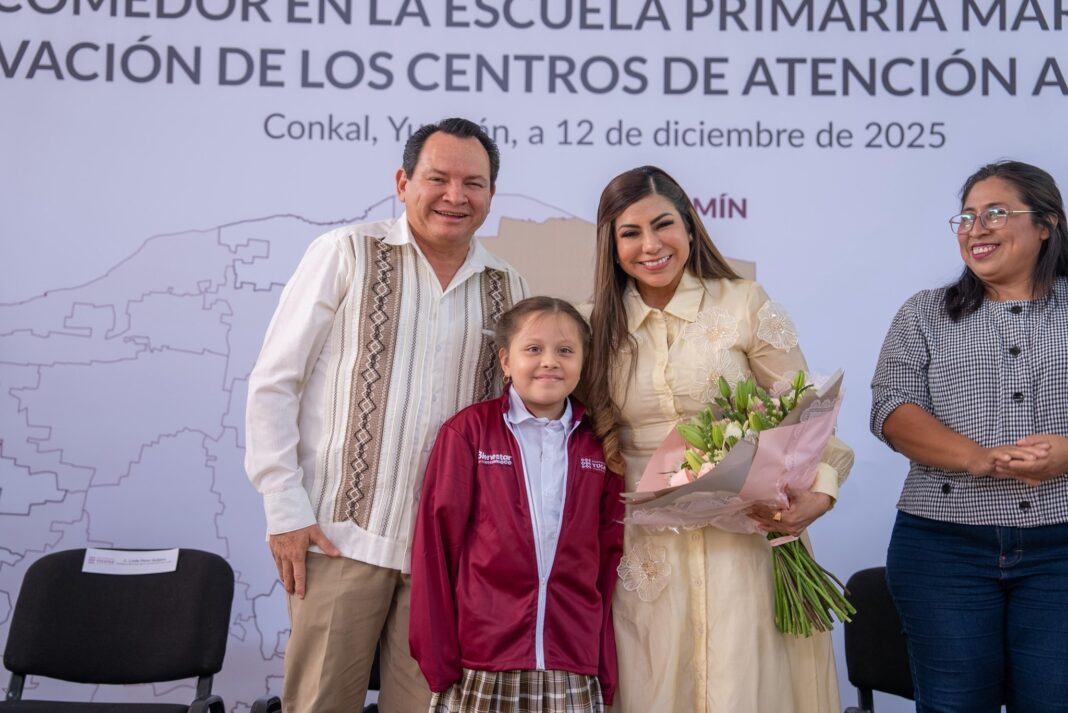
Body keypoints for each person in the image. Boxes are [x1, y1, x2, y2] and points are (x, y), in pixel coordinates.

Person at [244, 117, 528, 713]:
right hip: (340, 539)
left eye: (473, 183)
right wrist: (284, 508)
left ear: (492, 195)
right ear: (402, 182)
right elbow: (275, 382)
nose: (455, 196)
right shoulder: (345, 252)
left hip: (447, 558)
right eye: (437, 178)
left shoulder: (510, 285)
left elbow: (513, 420)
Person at [582, 165, 854, 713]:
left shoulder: (745, 302)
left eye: (664, 225)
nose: (650, 245)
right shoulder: (592, 327)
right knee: (651, 676)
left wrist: (817, 497)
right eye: (629, 233)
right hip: (642, 541)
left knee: (745, 679)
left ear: (689, 226)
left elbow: (806, 416)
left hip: (749, 534)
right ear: (611, 246)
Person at [872, 160, 1068, 713]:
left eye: (996, 213)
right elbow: (891, 408)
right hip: (942, 548)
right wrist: (977, 459)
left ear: (1048, 223)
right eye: (966, 216)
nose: (975, 228)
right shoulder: (925, 314)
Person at [409, 296, 625, 713]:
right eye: (533, 349)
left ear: (583, 362)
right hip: (483, 660)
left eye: (566, 350)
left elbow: (607, 564)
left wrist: (603, 662)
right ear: (506, 361)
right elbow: (435, 550)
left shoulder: (599, 446)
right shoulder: (468, 433)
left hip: (571, 662)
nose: (550, 361)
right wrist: (439, 658)